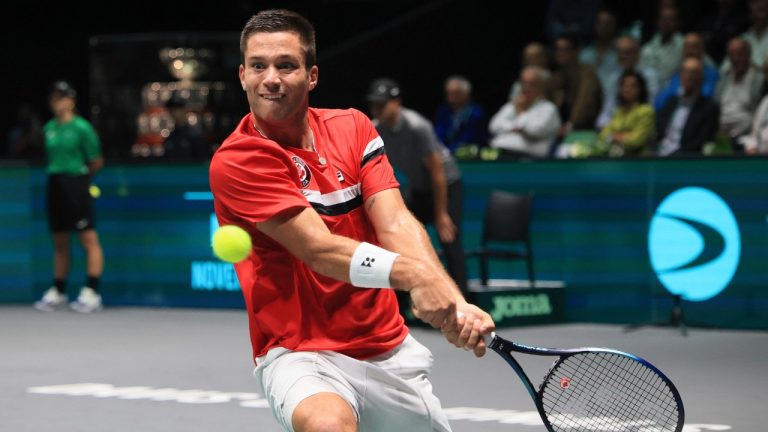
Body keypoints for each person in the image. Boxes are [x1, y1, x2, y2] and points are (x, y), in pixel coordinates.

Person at [209, 10, 494, 432]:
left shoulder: (353, 127)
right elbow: (319, 250)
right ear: (243, 75)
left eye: (286, 65)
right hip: (300, 351)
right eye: (258, 66)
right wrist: (417, 278)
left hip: (385, 346)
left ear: (312, 76)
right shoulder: (238, 159)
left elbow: (395, 222)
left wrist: (452, 299)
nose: (271, 78)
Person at [367, 78, 468, 296]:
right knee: (405, 238)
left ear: (397, 102)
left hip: (447, 187)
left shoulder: (417, 126)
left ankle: (464, 301)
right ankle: (408, 303)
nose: (377, 109)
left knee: (449, 240)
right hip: (419, 189)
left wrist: (441, 214)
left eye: (382, 104)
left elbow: (437, 172)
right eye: (374, 104)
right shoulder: (375, 129)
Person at [34, 81, 104, 313]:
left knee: (88, 239)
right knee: (60, 241)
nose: (58, 102)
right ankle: (59, 291)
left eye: (62, 97)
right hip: (55, 184)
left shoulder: (82, 128)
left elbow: (96, 160)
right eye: (54, 98)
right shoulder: (49, 128)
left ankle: (91, 292)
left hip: (76, 184)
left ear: (71, 100)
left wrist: (81, 180)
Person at [489, 66, 562, 158]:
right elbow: (494, 126)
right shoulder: (512, 105)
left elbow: (534, 131)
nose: (526, 87)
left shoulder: (549, 109)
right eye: (523, 83)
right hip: (501, 155)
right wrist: (515, 128)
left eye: (532, 84)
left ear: (542, 87)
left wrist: (521, 113)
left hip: (532, 160)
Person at [656, 57, 721, 156]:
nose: (688, 76)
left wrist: (674, 155)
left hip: (685, 161)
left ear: (701, 77)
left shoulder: (709, 108)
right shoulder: (671, 102)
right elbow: (659, 132)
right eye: (685, 71)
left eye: (693, 72)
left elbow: (699, 142)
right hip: (660, 157)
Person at [596, 35, 660, 128]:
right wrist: (603, 124)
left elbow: (651, 107)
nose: (622, 56)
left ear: (637, 53)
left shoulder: (650, 76)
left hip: (640, 125)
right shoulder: (613, 77)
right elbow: (607, 109)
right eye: (620, 52)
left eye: (627, 53)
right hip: (615, 126)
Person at [549, 33, 603, 134]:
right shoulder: (555, 77)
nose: (560, 53)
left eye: (565, 50)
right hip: (558, 129)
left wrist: (570, 125)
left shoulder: (587, 73)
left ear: (576, 51)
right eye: (558, 49)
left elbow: (584, 102)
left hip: (583, 129)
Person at [654, 32, 721, 111]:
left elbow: (704, 97)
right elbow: (659, 103)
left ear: (702, 50)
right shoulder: (676, 75)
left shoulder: (712, 74)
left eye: (694, 47)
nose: (690, 50)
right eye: (687, 47)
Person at [715, 37, 764, 141]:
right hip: (720, 133)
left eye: (740, 53)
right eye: (732, 54)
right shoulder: (724, 78)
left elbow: (760, 114)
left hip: (747, 135)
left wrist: (735, 135)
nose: (736, 58)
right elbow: (716, 106)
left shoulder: (760, 79)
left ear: (749, 54)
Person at [597, 70, 655, 157]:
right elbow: (603, 135)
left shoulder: (646, 111)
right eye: (625, 86)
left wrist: (614, 137)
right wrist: (624, 136)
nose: (628, 89)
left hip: (639, 159)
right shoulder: (618, 111)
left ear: (640, 89)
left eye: (633, 86)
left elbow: (637, 140)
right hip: (616, 157)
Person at [433, 75, 489, 153]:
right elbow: (439, 134)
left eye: (456, 94)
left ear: (466, 94)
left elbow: (469, 139)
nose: (451, 98)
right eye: (449, 93)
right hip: (445, 153)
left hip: (471, 154)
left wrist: (448, 150)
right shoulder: (443, 111)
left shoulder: (477, 114)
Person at [640, 7, 685, 90]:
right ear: (658, 22)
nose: (666, 23)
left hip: (674, 93)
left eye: (670, 19)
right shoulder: (648, 48)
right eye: (663, 19)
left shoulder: (685, 45)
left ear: (677, 22)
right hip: (650, 92)